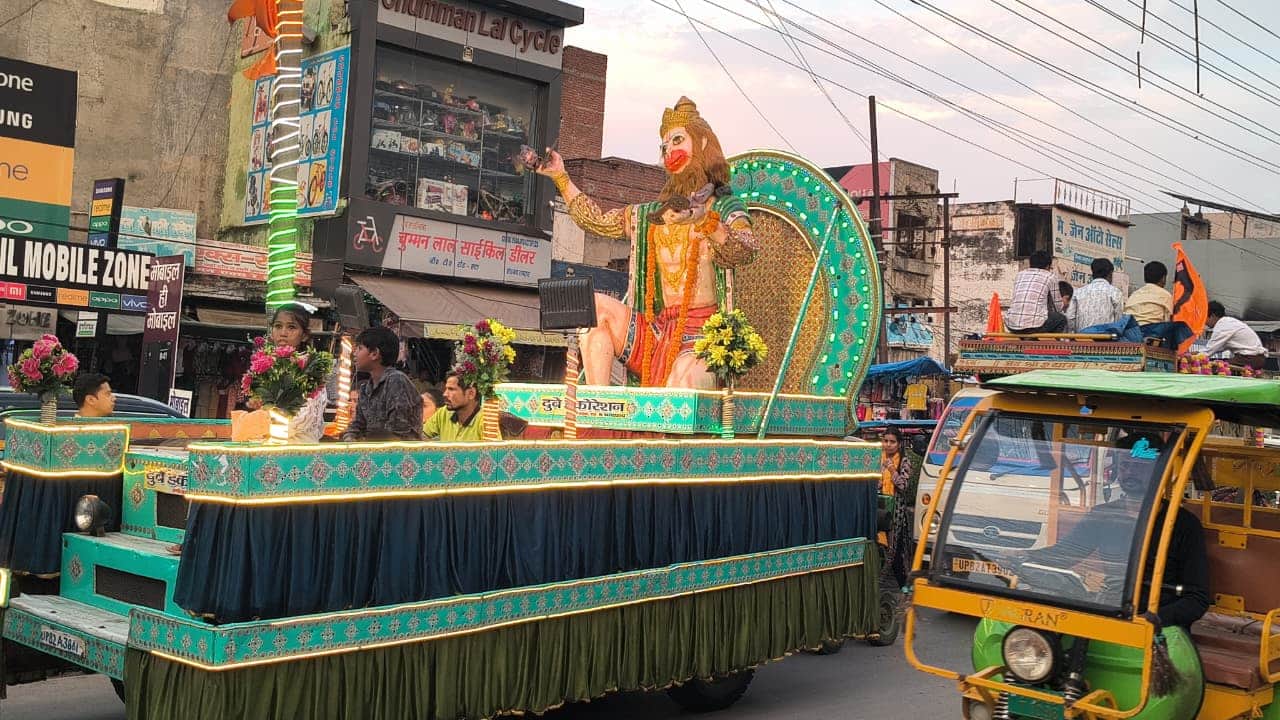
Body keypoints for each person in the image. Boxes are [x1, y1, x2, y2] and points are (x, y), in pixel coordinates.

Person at [538, 97, 759, 388]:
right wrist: (561, 178)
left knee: (681, 380)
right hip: (656, 332)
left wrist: (707, 222)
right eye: (664, 146)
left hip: (702, 337)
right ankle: (599, 405)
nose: (669, 152)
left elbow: (746, 249)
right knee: (595, 309)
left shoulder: (724, 208)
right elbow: (596, 221)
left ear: (703, 143)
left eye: (677, 140)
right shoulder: (649, 216)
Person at [1029, 433, 1208, 629]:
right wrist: (1020, 557)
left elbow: (1197, 599)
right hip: (1112, 613)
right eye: (1124, 466)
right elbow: (1064, 554)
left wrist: (1148, 621)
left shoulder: (1184, 525)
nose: (1130, 472)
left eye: (1139, 467)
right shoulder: (1103, 515)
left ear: (1159, 470)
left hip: (1159, 625)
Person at [246, 302, 329, 443]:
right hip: (267, 445)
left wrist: (265, 415)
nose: (283, 333)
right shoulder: (266, 366)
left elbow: (301, 420)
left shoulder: (310, 369)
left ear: (304, 335)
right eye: (278, 326)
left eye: (291, 327)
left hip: (298, 449)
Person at [342, 326, 423, 441]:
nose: (354, 353)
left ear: (374, 354)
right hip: (375, 449)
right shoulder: (365, 389)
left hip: (400, 451)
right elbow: (357, 425)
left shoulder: (396, 380)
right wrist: (349, 438)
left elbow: (398, 430)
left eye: (359, 348)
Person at [880, 427, 915, 590]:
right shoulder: (878, 459)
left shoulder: (904, 462)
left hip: (896, 512)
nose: (888, 445)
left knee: (896, 548)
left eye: (892, 442)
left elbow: (903, 485)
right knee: (883, 545)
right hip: (880, 509)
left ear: (899, 444)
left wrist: (892, 469)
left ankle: (903, 583)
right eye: (886, 441)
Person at [1006, 251, 1066, 334]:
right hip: (1034, 326)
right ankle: (1050, 342)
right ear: (1048, 266)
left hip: (1011, 324)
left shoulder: (1020, 275)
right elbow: (1058, 306)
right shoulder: (1050, 276)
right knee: (1061, 319)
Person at [1204, 300, 1268, 370]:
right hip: (1254, 358)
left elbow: (1209, 351)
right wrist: (1199, 353)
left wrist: (1196, 357)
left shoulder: (1222, 325)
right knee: (1217, 362)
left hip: (1250, 358)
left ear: (1212, 316)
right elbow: (1217, 348)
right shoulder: (1228, 322)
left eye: (1205, 318)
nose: (1204, 322)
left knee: (1215, 367)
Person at [1067, 258, 1125, 332]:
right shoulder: (1115, 292)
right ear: (1110, 274)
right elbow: (1118, 321)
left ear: (1093, 273)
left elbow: (1070, 317)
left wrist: (1074, 334)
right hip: (1106, 338)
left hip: (1082, 337)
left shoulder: (1078, 292)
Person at [422, 373, 483, 442]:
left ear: (471, 393)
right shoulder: (444, 412)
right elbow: (421, 435)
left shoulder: (485, 421)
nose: (445, 394)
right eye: (446, 389)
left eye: (451, 389)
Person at [1124, 261, 1173, 326]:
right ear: (1163, 278)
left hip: (1131, 330)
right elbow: (1168, 321)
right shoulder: (1166, 295)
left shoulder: (1134, 295)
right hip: (1153, 331)